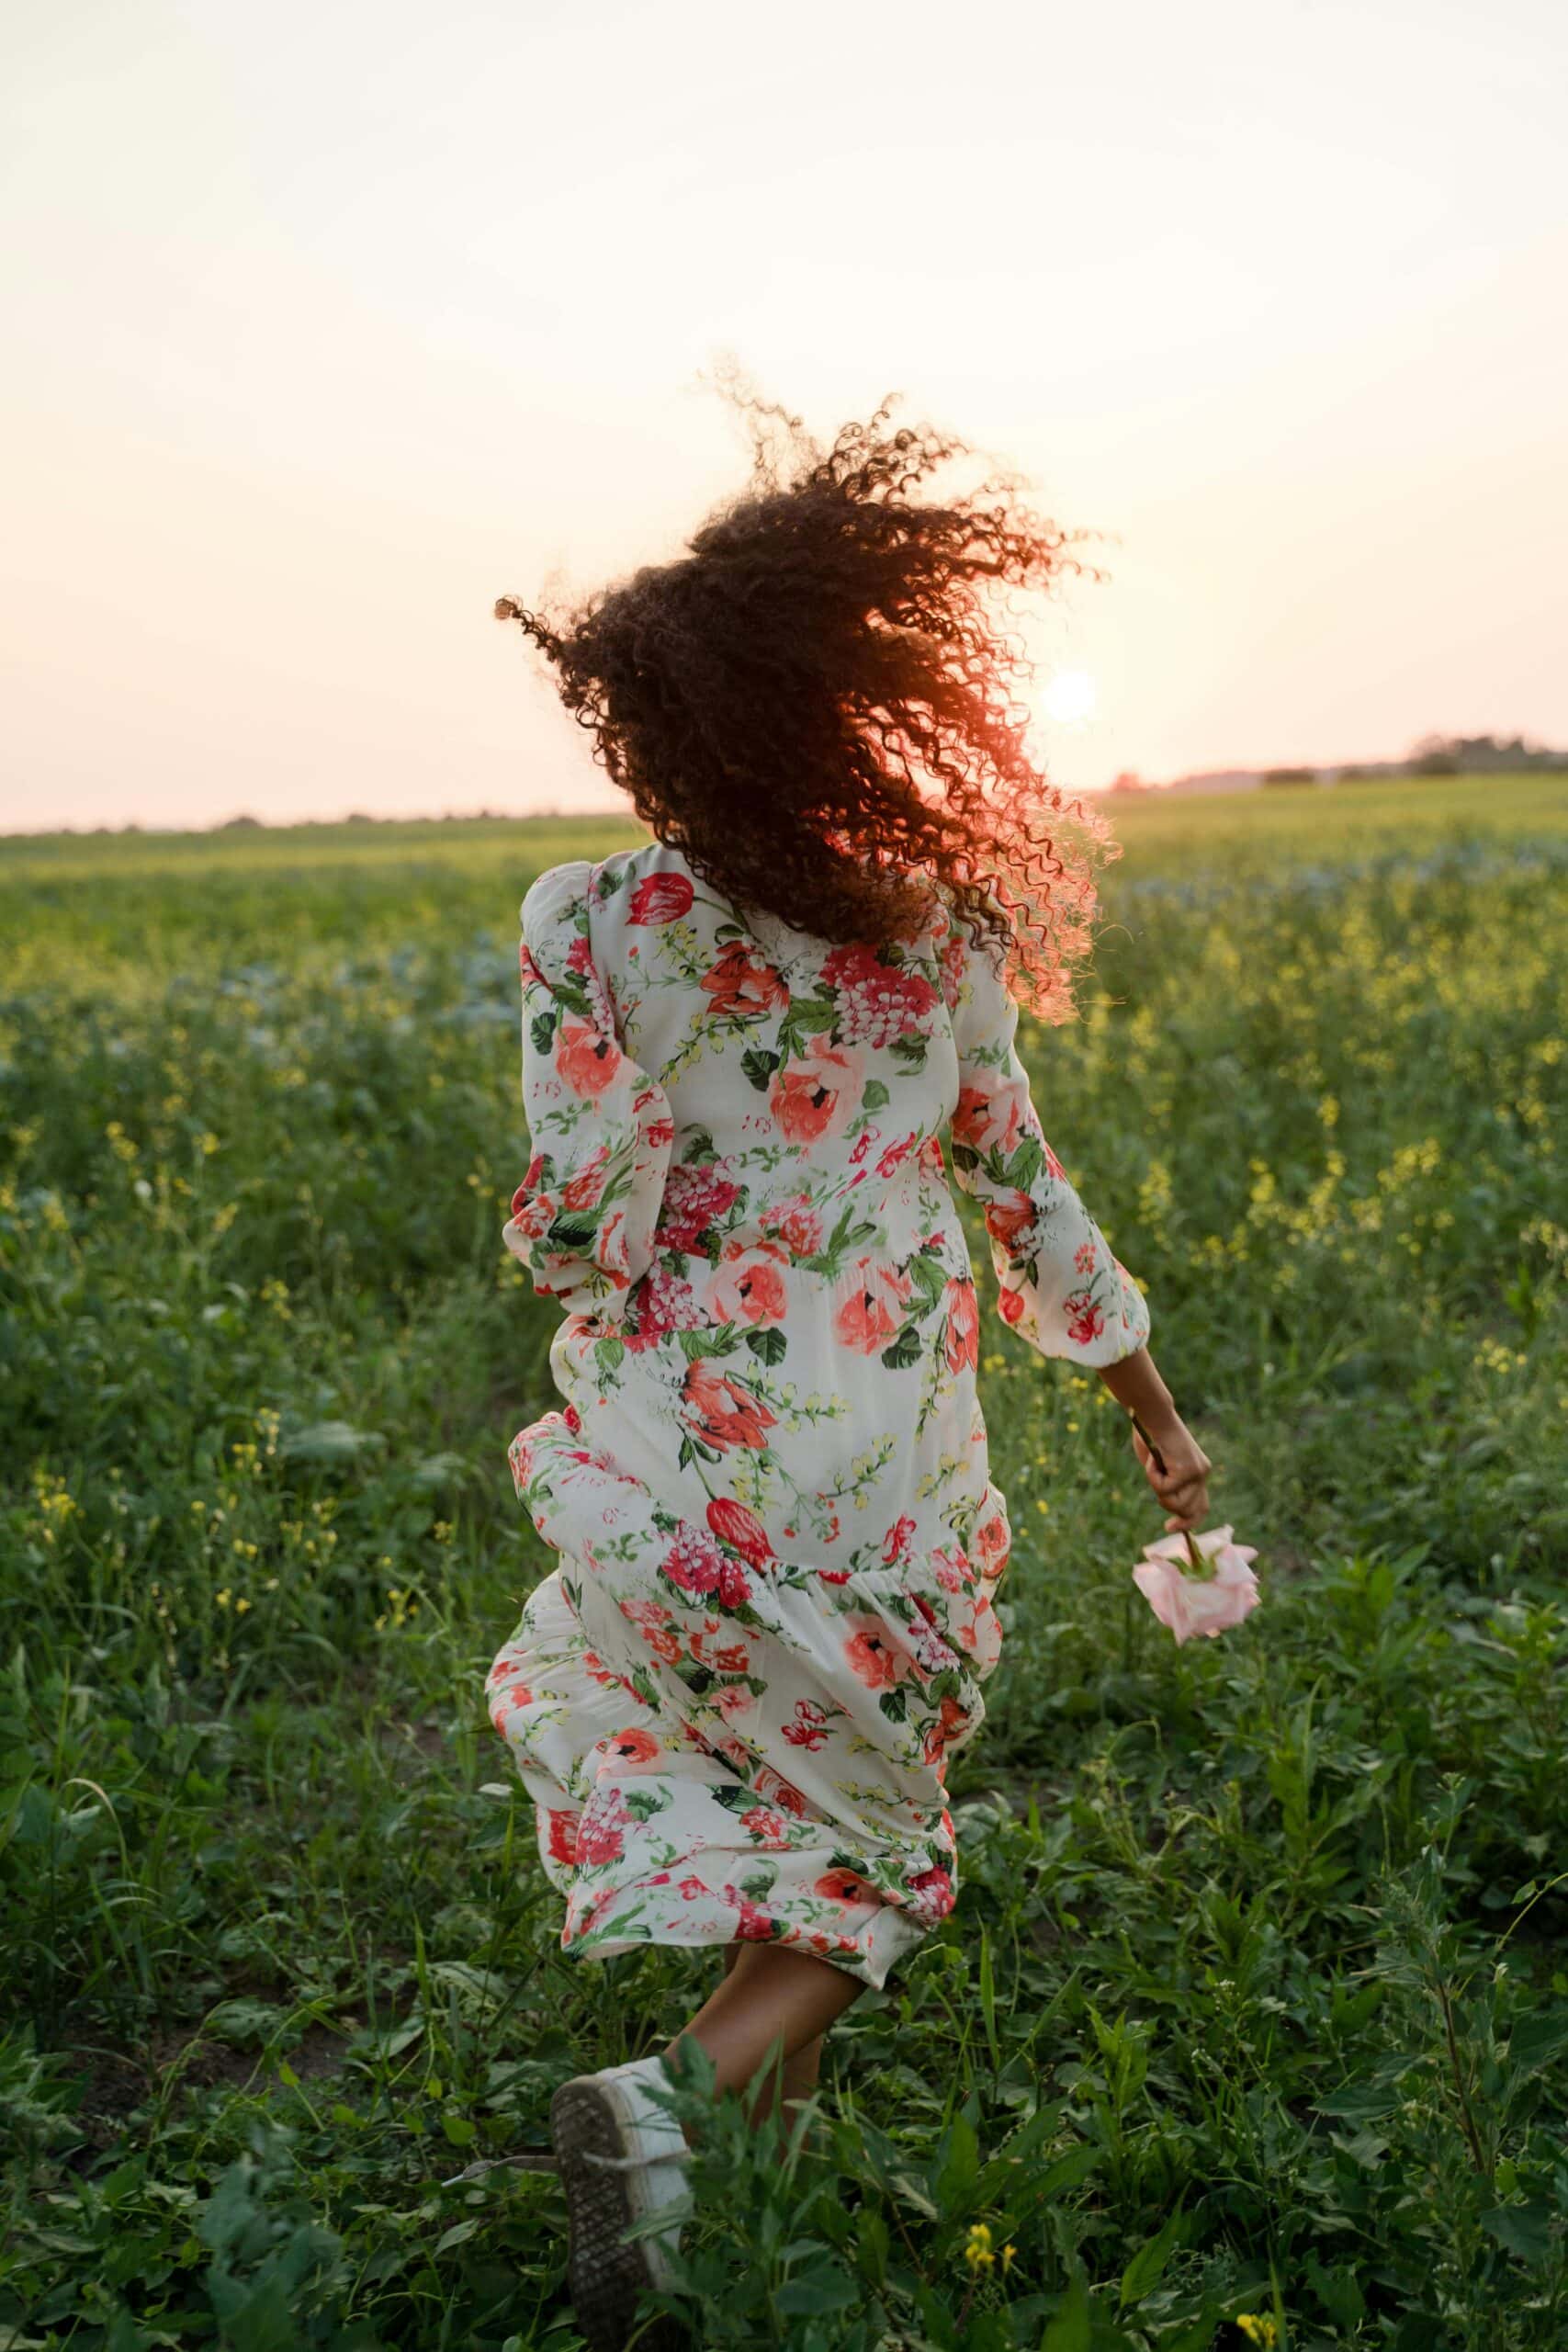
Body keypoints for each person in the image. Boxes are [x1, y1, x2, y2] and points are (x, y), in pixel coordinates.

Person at [484, 389, 1212, 2349]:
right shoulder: (935, 924)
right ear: (856, 697)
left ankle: (736, 2210)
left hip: (662, 1447)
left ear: (668, 716)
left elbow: (566, 1213)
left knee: (784, 1794)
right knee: (881, 1830)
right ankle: (675, 2100)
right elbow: (1017, 1188)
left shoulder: (590, 915)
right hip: (880, 1461)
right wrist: (1144, 1402)